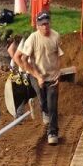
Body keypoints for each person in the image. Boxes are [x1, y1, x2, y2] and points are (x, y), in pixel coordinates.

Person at [11, 12, 64, 145]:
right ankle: (43, 109)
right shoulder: (32, 39)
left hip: (52, 77)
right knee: (42, 100)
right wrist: (37, 76)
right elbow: (22, 59)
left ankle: (52, 132)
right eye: (43, 24)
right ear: (38, 26)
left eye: (47, 23)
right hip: (36, 75)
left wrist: (59, 73)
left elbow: (59, 56)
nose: (46, 26)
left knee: (52, 105)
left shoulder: (56, 36)